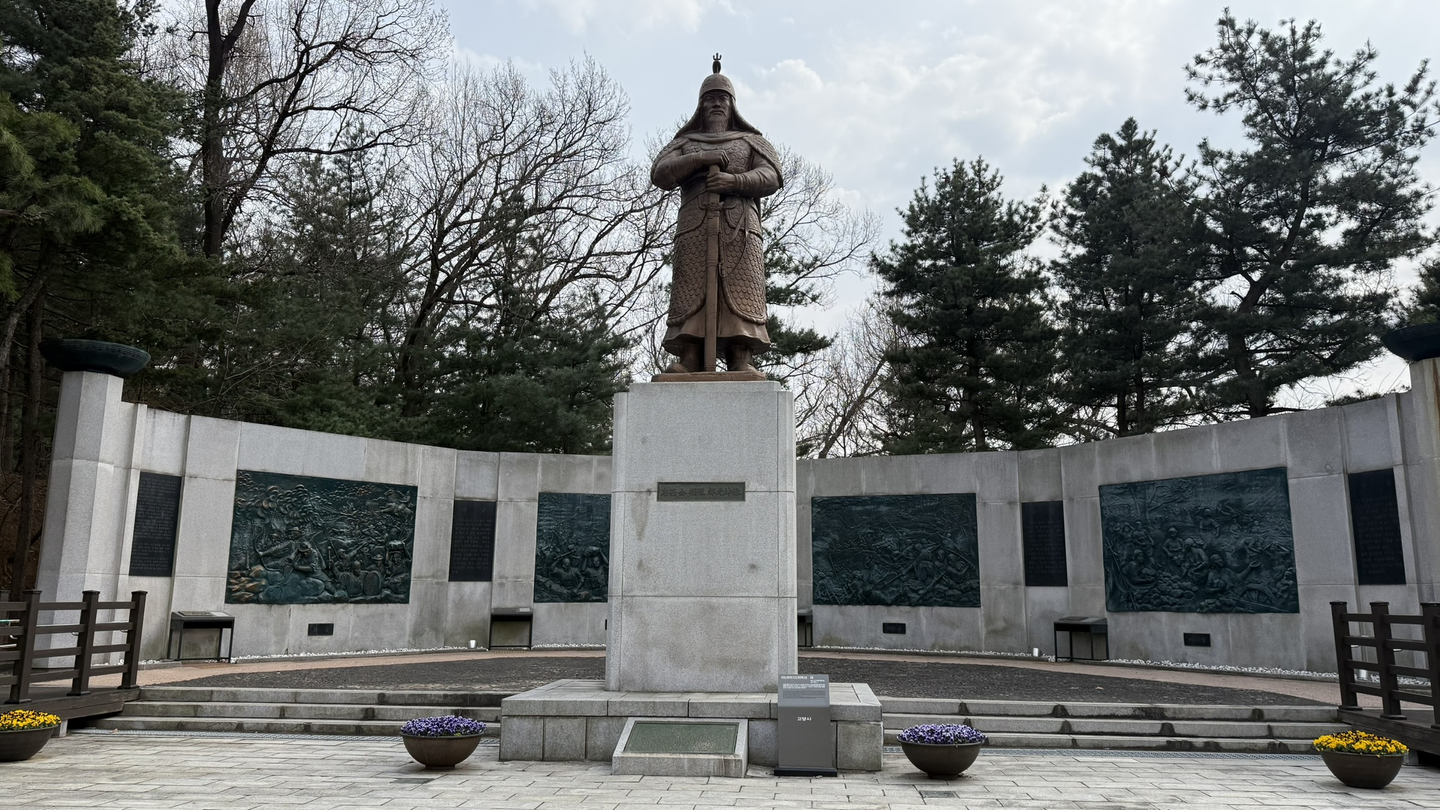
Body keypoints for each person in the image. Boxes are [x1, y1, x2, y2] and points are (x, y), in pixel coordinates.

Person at [651, 56, 783, 374]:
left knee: (741, 286)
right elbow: (660, 173)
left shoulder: (751, 141)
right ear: (700, 105)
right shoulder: (685, 143)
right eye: (709, 99)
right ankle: (691, 354)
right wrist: (700, 158)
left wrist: (734, 181)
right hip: (695, 227)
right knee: (691, 286)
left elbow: (771, 176)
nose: (716, 105)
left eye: (722, 99)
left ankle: (741, 355)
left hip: (740, 228)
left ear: (733, 104)